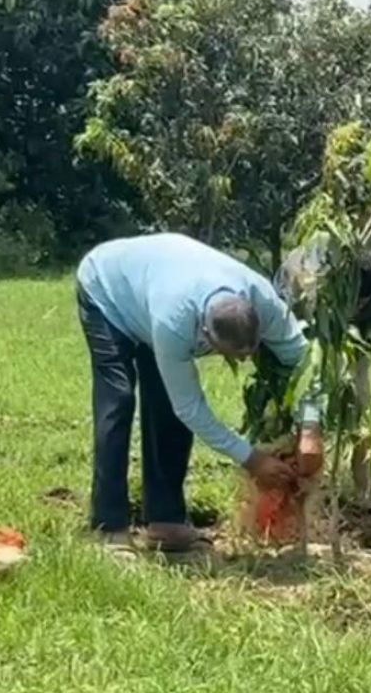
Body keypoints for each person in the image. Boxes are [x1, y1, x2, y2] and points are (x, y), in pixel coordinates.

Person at [75, 232, 309, 557]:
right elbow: (190, 407)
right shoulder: (175, 323)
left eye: (250, 351)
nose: (243, 360)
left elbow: (304, 360)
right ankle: (109, 526)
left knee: (165, 408)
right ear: (203, 333)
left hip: (155, 284)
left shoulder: (265, 301)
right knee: (119, 399)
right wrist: (251, 458)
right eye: (231, 353)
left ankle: (165, 520)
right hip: (108, 291)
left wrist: (311, 426)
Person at [274, 234, 371, 499]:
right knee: (305, 407)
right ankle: (297, 487)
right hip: (304, 337)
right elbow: (285, 326)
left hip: (356, 340)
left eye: (362, 302)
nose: (357, 307)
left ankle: (363, 492)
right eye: (353, 302)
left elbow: (365, 339)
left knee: (360, 404)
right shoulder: (301, 277)